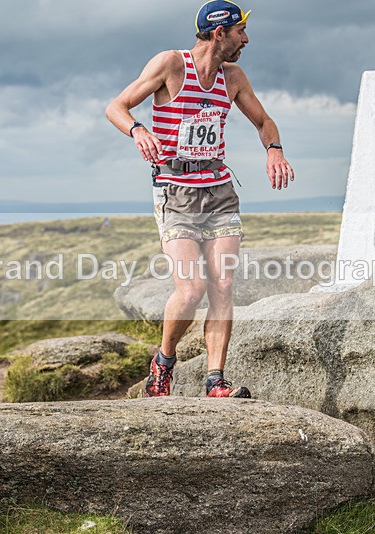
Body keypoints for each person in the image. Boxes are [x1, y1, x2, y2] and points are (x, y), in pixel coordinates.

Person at [105, 1, 294, 398]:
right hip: (175, 192)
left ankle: (214, 380)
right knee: (191, 291)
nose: (247, 39)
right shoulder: (171, 65)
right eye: (240, 31)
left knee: (222, 286)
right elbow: (116, 107)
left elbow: (263, 121)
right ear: (219, 32)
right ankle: (164, 361)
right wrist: (138, 130)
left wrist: (274, 148)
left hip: (220, 191)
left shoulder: (233, 77)